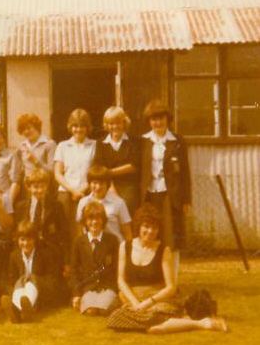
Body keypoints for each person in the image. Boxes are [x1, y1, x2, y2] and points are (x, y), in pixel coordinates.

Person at [107, 204, 228, 334]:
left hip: (158, 300)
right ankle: (176, 321)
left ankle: (203, 323)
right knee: (115, 318)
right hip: (133, 300)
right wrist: (135, 303)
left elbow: (171, 287)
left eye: (154, 228)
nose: (150, 231)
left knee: (153, 326)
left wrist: (147, 304)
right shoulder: (125, 247)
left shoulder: (164, 250)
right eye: (146, 226)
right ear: (139, 227)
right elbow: (121, 281)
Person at [139, 99, 191, 275]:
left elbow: (185, 172)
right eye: (153, 119)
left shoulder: (177, 141)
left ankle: (173, 281)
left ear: (167, 119)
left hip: (171, 195)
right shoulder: (143, 141)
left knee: (171, 238)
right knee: (151, 236)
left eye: (161, 118)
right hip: (149, 194)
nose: (157, 122)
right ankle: (155, 279)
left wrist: (186, 199)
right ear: (149, 121)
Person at [3, 220, 60, 323]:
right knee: (20, 281)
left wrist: (32, 279)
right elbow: (12, 280)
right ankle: (18, 310)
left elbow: (51, 279)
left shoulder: (44, 254)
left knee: (30, 279)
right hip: (20, 290)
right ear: (17, 240)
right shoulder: (14, 256)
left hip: (40, 291)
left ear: (34, 240)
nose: (25, 243)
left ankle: (23, 308)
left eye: (29, 239)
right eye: (22, 239)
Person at [54, 108, 96, 247]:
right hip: (66, 193)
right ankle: (68, 264)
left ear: (88, 127)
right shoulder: (63, 146)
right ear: (70, 127)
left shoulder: (94, 145)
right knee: (66, 229)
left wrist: (82, 190)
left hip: (87, 191)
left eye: (82, 125)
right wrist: (72, 190)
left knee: (85, 228)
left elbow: (94, 172)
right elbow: (58, 173)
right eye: (75, 126)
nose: (79, 129)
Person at [70, 202, 119, 316]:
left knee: (103, 309)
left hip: (107, 287)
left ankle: (113, 300)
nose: (94, 222)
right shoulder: (79, 242)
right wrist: (77, 294)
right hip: (89, 288)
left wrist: (115, 289)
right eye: (90, 219)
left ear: (103, 220)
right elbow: (74, 271)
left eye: (98, 218)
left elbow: (116, 268)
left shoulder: (112, 240)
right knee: (91, 311)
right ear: (85, 222)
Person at [14, 168, 67, 265]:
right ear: (28, 187)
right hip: (29, 250)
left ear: (47, 186)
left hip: (51, 251)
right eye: (35, 187)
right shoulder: (20, 207)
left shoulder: (56, 206)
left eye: (42, 186)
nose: (39, 190)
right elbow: (17, 233)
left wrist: (66, 261)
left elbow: (64, 232)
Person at [93, 106, 139, 214]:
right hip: (107, 185)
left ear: (124, 123)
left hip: (129, 187)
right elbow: (99, 167)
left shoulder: (134, 141)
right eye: (111, 123)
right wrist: (112, 190)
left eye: (118, 123)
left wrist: (109, 172)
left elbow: (134, 166)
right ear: (106, 125)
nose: (115, 126)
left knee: (127, 210)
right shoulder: (101, 143)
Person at [76, 165, 132, 242]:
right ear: (89, 183)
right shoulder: (83, 202)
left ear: (108, 184)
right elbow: (80, 230)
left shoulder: (119, 203)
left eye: (102, 183)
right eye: (95, 183)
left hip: (114, 247)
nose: (98, 187)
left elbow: (127, 233)